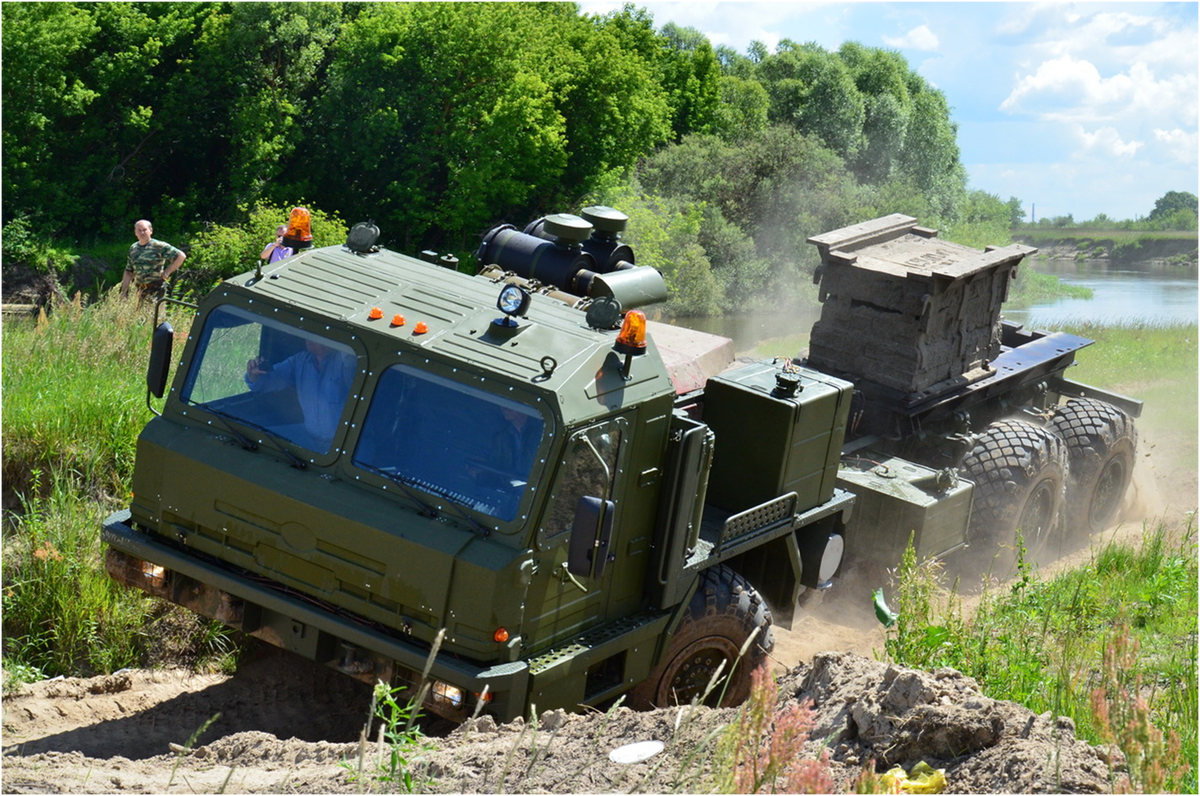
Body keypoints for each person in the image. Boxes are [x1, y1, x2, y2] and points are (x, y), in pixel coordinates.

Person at [244, 338, 355, 451]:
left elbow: (352, 361)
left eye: (315, 333)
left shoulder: (345, 362)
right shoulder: (300, 361)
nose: (310, 338)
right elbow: (271, 380)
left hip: (342, 445)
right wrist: (254, 374)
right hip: (308, 436)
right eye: (308, 333)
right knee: (260, 437)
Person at [121, 219, 185, 301]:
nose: (142, 233)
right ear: (135, 232)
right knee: (140, 313)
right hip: (140, 290)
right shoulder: (133, 248)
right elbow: (129, 271)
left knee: (155, 313)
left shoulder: (159, 246)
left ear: (150, 231)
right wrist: (124, 292)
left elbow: (181, 256)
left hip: (157, 289)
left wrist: (167, 272)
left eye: (144, 230)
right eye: (139, 230)